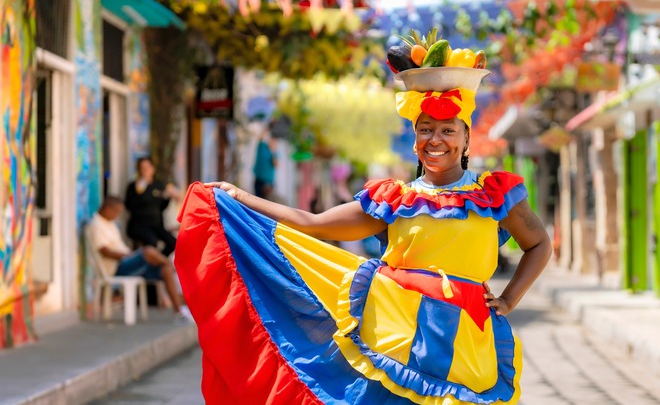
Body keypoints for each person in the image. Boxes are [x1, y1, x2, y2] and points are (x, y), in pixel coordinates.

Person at [175, 65, 551, 404]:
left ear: (467, 139)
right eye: (426, 130)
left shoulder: (495, 194)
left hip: (468, 333)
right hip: (398, 331)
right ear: (415, 138)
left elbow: (538, 244)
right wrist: (242, 198)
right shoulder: (395, 200)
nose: (435, 140)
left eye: (448, 130)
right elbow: (313, 223)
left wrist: (509, 299)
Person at [86, 196, 192, 322]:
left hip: (126, 262)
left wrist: (131, 255)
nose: (117, 215)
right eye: (116, 212)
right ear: (108, 209)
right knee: (148, 251)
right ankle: (173, 265)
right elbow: (105, 251)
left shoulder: (110, 224)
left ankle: (179, 312)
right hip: (115, 267)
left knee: (165, 270)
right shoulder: (96, 225)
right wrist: (129, 256)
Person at [124, 157, 179, 257]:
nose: (146, 170)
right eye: (142, 168)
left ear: (153, 168)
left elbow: (161, 207)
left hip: (156, 224)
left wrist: (168, 197)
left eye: (148, 167)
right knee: (152, 242)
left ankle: (157, 263)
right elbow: (129, 206)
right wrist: (140, 192)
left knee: (173, 242)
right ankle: (148, 265)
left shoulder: (158, 185)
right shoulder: (134, 186)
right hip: (139, 225)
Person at [253, 124, 277, 199]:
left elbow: (276, 164)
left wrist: (273, 151)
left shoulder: (275, 152)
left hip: (268, 182)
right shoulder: (262, 146)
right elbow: (260, 137)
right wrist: (268, 127)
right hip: (259, 179)